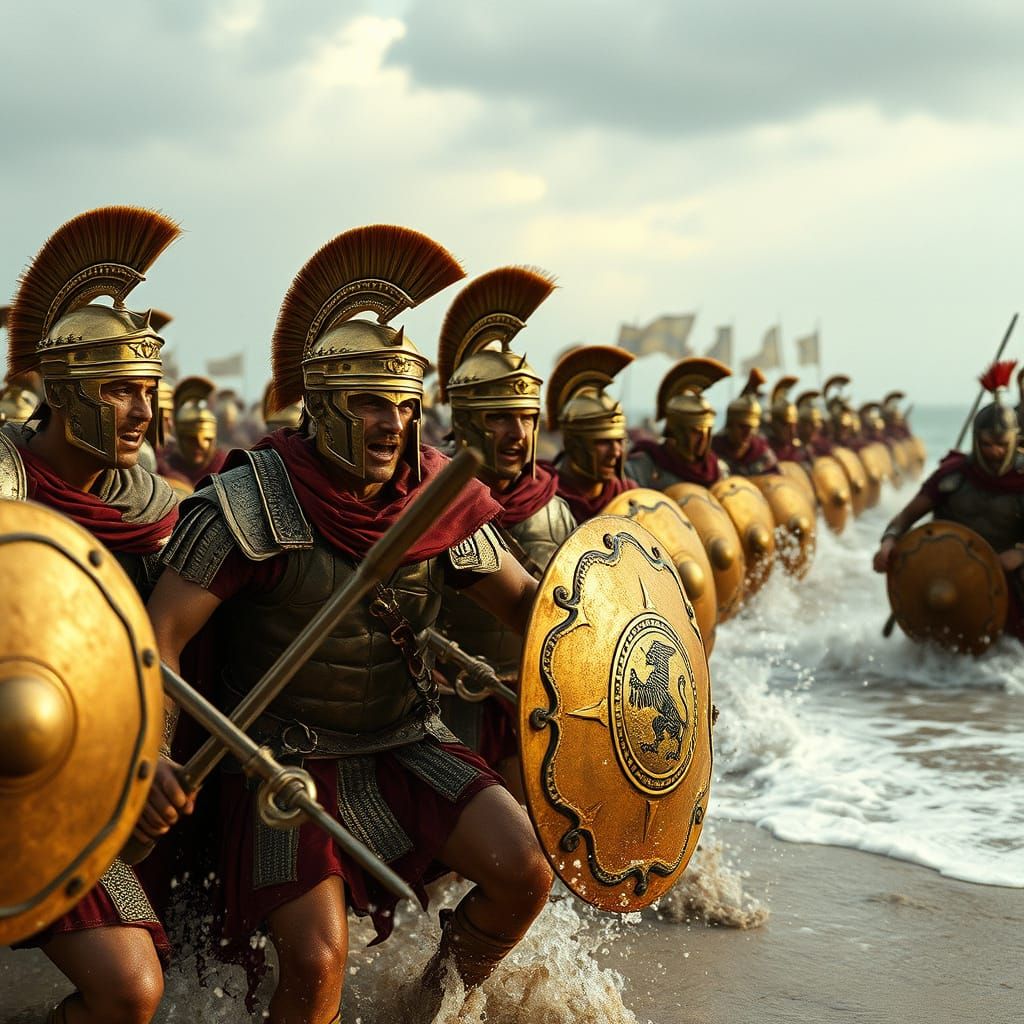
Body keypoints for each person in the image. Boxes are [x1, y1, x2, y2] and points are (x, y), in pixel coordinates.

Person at [140, 226, 552, 1024]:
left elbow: (532, 611)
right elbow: (156, 643)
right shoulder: (246, 500)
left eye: (403, 404)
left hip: (404, 737)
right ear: (323, 406)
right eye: (368, 403)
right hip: (279, 756)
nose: (392, 422)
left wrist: (617, 637)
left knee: (524, 871)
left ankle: (430, 1003)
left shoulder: (441, 496)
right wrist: (151, 756)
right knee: (317, 959)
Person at [1, 206, 182, 1024]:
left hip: (76, 777)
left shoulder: (161, 509)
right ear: (62, 390)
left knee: (129, 989)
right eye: (118, 390)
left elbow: (158, 664)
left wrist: (144, 764)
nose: (141, 412)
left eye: (148, 390)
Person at [434, 266, 575, 788]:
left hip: (533, 705)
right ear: (468, 420)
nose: (517, 433)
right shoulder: (427, 501)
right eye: (500, 417)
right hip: (441, 706)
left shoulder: (557, 511)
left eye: (525, 417)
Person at [873, 361, 1024, 638]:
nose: (994, 452)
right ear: (976, 440)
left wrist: (1021, 553)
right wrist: (889, 541)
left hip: (1008, 577)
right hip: (948, 574)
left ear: (1014, 441)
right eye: (987, 444)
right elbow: (905, 517)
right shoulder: (953, 476)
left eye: (1002, 445)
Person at [545, 343, 636, 522]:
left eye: (619, 440)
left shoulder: (629, 497)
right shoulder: (542, 498)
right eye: (603, 441)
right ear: (572, 443)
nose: (616, 451)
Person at [626, 356, 731, 489]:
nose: (703, 440)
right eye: (696, 432)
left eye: (708, 431)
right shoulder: (642, 468)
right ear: (676, 430)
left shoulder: (718, 470)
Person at [156, 376, 227, 486]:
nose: (200, 445)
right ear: (180, 438)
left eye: (207, 439)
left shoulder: (225, 468)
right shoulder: (165, 465)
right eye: (191, 439)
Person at [711, 367, 780, 476]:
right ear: (730, 425)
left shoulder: (762, 453)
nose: (747, 433)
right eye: (742, 427)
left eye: (751, 427)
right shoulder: (713, 452)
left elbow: (775, 483)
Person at [765, 375, 809, 464]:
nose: (792, 431)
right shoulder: (764, 451)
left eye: (794, 426)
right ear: (774, 424)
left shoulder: (799, 450)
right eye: (786, 425)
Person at [795, 389, 833, 456]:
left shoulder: (822, 446)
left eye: (819, 422)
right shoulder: (797, 450)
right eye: (812, 425)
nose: (818, 426)